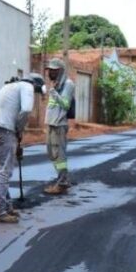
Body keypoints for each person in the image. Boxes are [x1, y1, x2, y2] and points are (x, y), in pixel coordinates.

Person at [0, 74, 40, 223]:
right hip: (5, 130)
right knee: (5, 172)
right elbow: (27, 109)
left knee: (1, 169)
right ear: (34, 85)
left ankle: (7, 206)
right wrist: (18, 128)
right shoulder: (27, 86)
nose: (35, 93)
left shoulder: (8, 87)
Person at [44, 57, 75, 195]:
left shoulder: (68, 84)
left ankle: (62, 182)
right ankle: (62, 179)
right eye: (50, 70)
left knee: (59, 155)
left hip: (59, 125)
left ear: (61, 71)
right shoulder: (55, 84)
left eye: (54, 70)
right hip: (51, 124)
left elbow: (66, 104)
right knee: (52, 154)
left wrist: (54, 94)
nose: (51, 72)